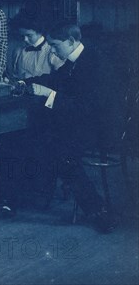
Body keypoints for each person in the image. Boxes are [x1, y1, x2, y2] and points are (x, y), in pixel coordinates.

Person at [21, 21, 119, 233]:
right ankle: (36, 192)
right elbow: (55, 79)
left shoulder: (95, 62)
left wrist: (48, 94)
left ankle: (98, 209)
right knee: (36, 135)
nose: (53, 51)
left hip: (101, 127)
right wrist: (26, 83)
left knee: (59, 150)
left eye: (56, 46)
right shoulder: (76, 58)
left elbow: (86, 106)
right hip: (82, 121)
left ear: (72, 41)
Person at [7, 12, 64, 80]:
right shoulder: (18, 50)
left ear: (40, 32)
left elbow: (60, 77)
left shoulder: (52, 51)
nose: (25, 39)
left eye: (29, 35)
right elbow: (15, 74)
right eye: (22, 36)